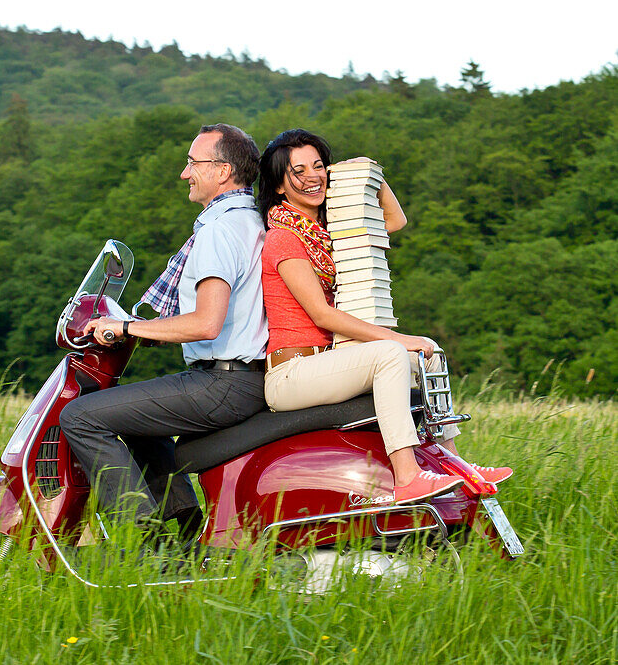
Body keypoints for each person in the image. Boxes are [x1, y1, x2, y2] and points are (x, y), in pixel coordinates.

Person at [256, 129, 512, 504]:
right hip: (291, 372)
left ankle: (457, 466)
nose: (313, 177)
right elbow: (322, 315)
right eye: (299, 172)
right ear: (280, 186)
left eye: (319, 166)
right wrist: (401, 339)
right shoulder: (283, 238)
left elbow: (394, 221)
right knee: (393, 353)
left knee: (426, 356)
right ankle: (407, 477)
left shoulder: (327, 234)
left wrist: (371, 176)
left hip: (327, 363)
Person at [59, 123, 268, 540]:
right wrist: (141, 329)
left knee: (80, 417)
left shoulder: (219, 231)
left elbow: (206, 322)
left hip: (224, 382)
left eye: (193, 163)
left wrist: (124, 326)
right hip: (242, 378)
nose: (184, 173)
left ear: (223, 170)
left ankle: (141, 536)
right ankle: (182, 535)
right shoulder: (252, 221)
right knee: (134, 418)